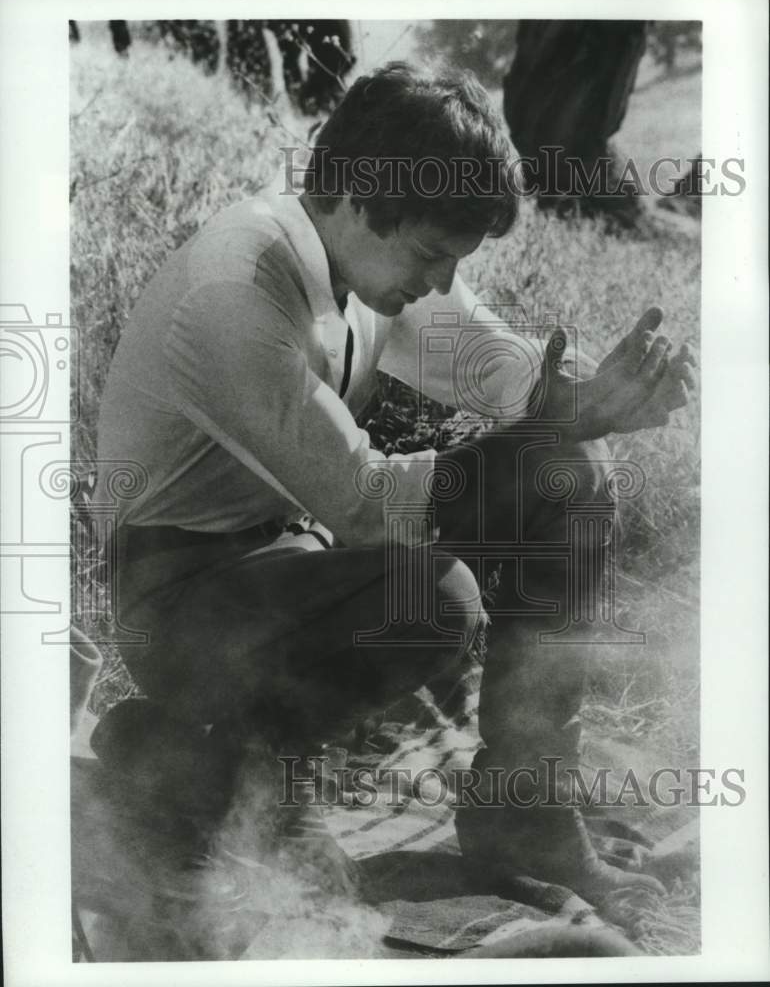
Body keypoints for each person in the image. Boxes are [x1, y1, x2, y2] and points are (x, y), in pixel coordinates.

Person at [91, 62, 696, 909]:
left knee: (569, 473)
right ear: (359, 195)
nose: (442, 281)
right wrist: (571, 420)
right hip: (175, 600)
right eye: (431, 255)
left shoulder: (362, 253)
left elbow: (511, 375)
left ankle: (526, 808)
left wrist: (608, 394)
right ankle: (206, 762)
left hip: (279, 573)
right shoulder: (233, 289)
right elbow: (368, 507)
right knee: (435, 597)